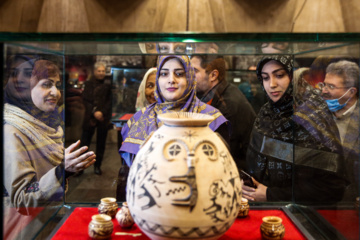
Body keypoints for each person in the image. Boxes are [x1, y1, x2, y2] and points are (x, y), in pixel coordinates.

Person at [243, 55, 348, 204]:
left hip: (303, 216)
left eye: (279, 75)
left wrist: (271, 195)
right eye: (265, 78)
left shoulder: (312, 113)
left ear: (293, 77)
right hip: (260, 208)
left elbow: (331, 188)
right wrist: (249, 184)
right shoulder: (267, 112)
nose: (271, 84)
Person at [3, 57, 96, 213]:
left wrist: (65, 168)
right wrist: (62, 171)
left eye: (57, 85)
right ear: (24, 89)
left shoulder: (45, 123)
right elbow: (21, 199)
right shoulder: (12, 132)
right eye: (46, 84)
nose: (56, 92)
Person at [119, 55, 229, 167]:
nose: (171, 80)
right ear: (158, 79)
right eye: (164, 74)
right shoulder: (139, 119)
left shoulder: (212, 118)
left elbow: (220, 169)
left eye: (179, 74)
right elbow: (128, 172)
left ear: (190, 78)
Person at [190, 55, 256, 171]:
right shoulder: (216, 95)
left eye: (194, 71)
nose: (189, 76)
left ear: (213, 75)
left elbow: (224, 153)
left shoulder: (227, 105)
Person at [320, 60, 359, 202]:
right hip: (318, 202)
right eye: (324, 84)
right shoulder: (317, 114)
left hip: (350, 206)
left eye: (331, 86)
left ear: (351, 92)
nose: (324, 91)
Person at [80, 62, 112, 175]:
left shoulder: (108, 85)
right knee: (84, 144)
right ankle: (80, 166)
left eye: (103, 71)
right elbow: (85, 100)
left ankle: (97, 166)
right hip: (90, 117)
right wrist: (94, 112)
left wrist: (102, 112)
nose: (101, 73)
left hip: (103, 118)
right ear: (94, 72)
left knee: (101, 143)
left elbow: (110, 101)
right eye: (99, 71)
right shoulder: (88, 84)